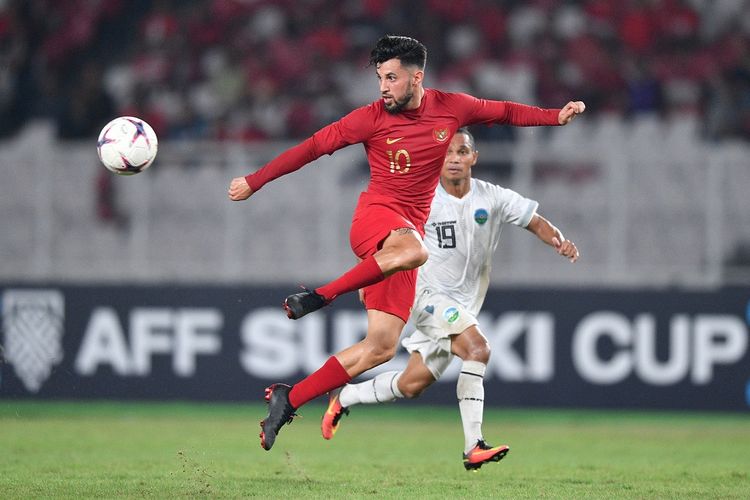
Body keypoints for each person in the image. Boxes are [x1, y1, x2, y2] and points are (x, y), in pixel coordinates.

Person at [227, 35, 585, 451]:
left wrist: (554, 117)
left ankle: (288, 400)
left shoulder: (451, 107)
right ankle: (320, 296)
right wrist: (255, 181)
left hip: (400, 244)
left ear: (417, 78)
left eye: (391, 77)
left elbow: (504, 111)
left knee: (380, 348)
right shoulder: (369, 118)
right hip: (376, 219)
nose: (383, 87)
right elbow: (312, 148)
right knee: (416, 250)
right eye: (380, 78)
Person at [320, 128, 580, 470]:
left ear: (474, 157)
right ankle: (474, 445)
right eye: (447, 153)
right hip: (427, 296)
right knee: (478, 349)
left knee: (412, 383)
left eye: (462, 152)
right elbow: (384, 239)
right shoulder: (421, 201)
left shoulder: (493, 197)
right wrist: (370, 278)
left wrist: (559, 240)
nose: (454, 159)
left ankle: (345, 397)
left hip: (464, 304)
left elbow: (534, 221)